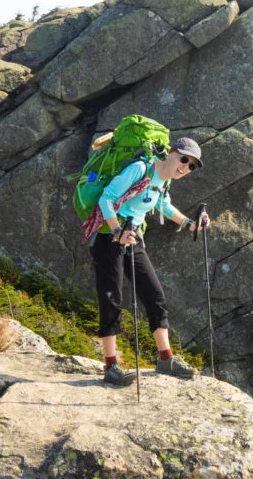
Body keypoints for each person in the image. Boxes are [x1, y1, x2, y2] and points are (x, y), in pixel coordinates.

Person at [89, 137, 210, 386]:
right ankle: (111, 366)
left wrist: (190, 224)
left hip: (134, 238)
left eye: (192, 166)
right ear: (172, 152)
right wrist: (116, 232)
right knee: (111, 298)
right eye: (184, 159)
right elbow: (106, 199)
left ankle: (165, 359)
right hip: (109, 237)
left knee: (155, 295)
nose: (185, 167)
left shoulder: (163, 182)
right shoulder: (140, 169)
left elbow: (163, 205)